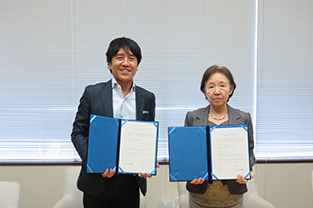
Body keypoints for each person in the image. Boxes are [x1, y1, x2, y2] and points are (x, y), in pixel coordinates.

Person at [71, 37, 156, 208]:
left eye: (131, 58)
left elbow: (146, 136)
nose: (126, 63)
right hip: (96, 182)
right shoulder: (92, 93)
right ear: (110, 64)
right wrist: (95, 162)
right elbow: (78, 133)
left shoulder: (147, 98)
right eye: (119, 57)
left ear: (137, 66)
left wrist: (148, 160)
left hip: (130, 184)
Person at [184, 65, 255, 208]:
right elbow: (187, 155)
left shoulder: (243, 118)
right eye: (211, 87)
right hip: (199, 196)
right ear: (204, 91)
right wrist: (190, 173)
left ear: (231, 89)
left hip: (232, 197)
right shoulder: (192, 117)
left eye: (222, 86)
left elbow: (250, 152)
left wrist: (247, 170)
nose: (217, 91)